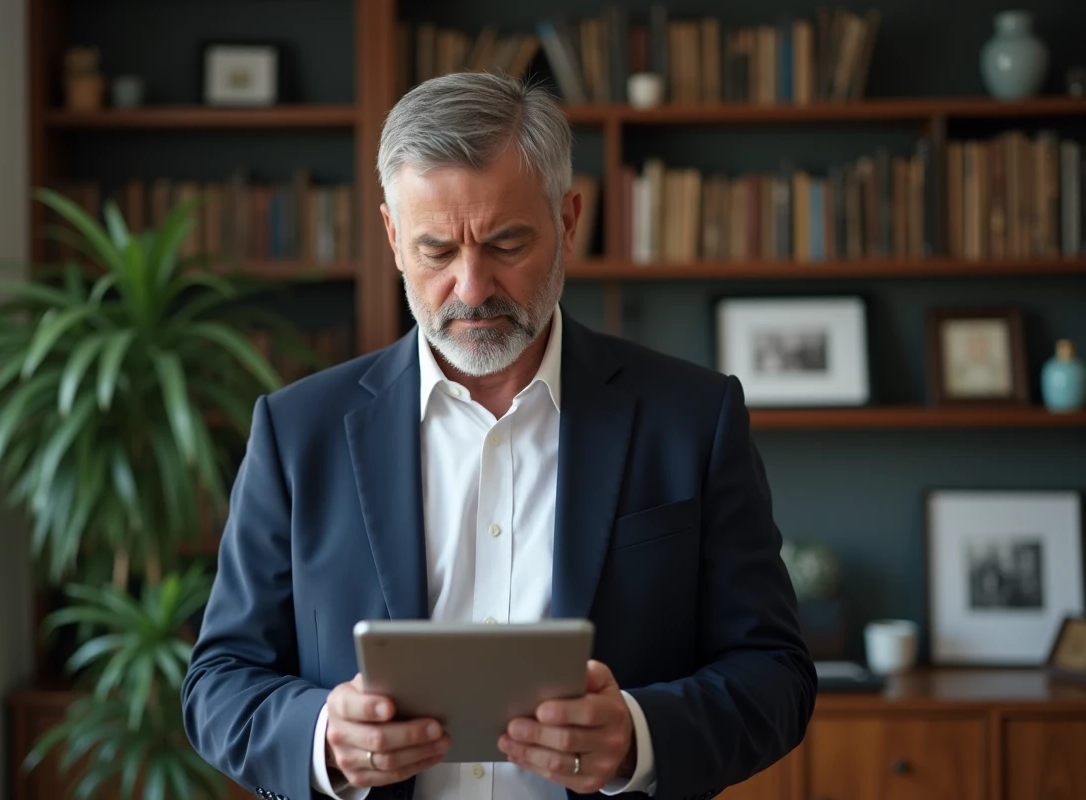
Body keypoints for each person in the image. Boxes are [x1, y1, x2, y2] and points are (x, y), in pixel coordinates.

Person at [182, 72, 816, 800]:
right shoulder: (298, 433)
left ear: (569, 221)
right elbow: (218, 682)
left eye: (506, 243)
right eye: (436, 251)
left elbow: (775, 673)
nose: (473, 287)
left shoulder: (693, 419)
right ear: (392, 237)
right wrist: (323, 735)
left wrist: (638, 734)